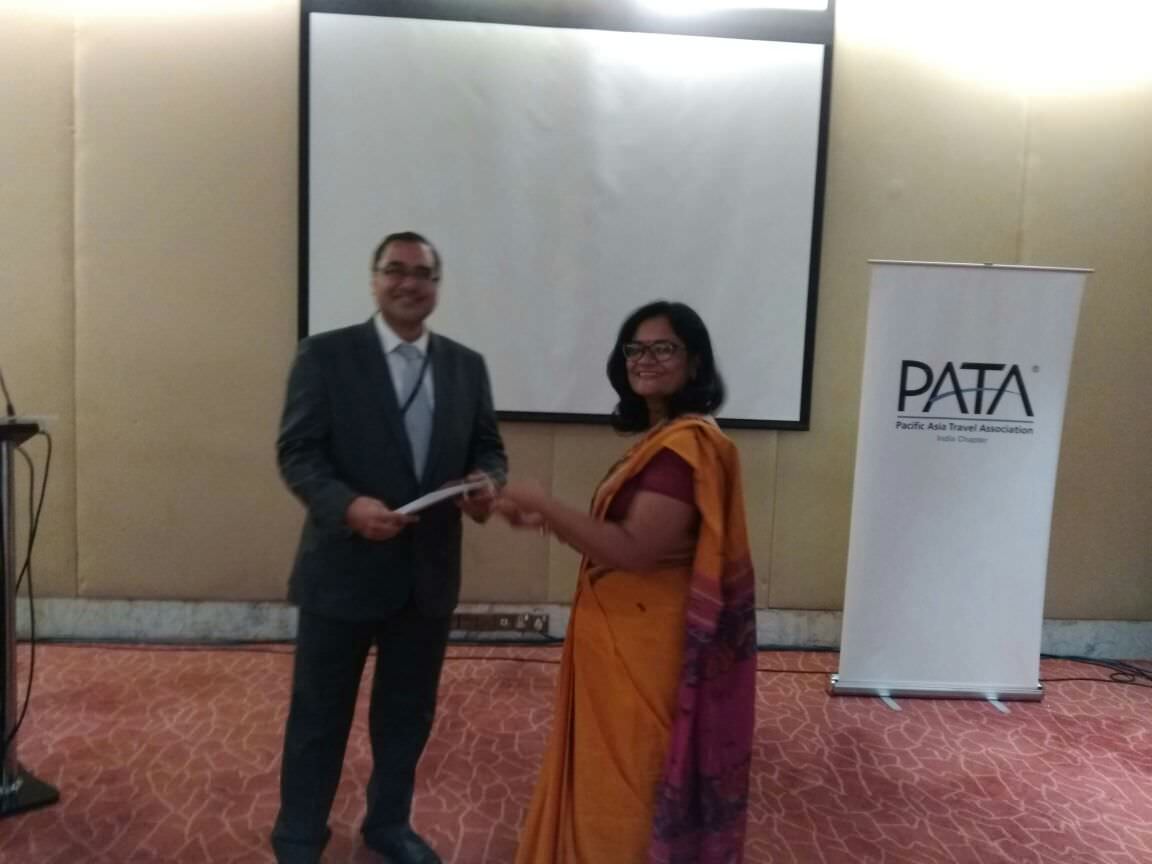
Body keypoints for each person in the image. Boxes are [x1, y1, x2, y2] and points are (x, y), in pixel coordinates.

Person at [271, 231, 507, 864]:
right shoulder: (325, 355)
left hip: (426, 577)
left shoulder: (466, 365)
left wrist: (487, 483)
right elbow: (298, 453)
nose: (409, 283)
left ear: (437, 285)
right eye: (395, 270)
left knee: (407, 717)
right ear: (374, 279)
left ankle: (389, 825)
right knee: (319, 715)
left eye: (423, 273)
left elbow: (489, 448)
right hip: (341, 569)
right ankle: (299, 835)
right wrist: (346, 507)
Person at [498, 301, 757, 863]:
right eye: (635, 348)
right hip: (623, 636)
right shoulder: (662, 438)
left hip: (646, 650)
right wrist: (545, 518)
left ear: (694, 362)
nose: (645, 359)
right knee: (609, 780)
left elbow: (635, 550)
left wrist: (546, 503)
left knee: (630, 786)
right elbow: (615, 542)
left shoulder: (684, 449)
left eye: (664, 348)